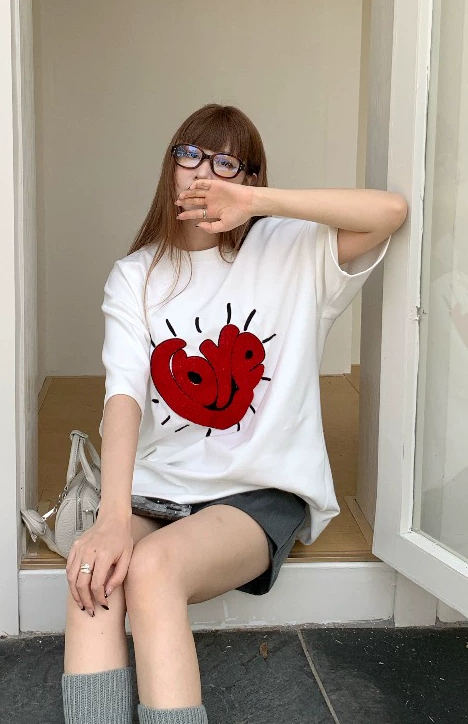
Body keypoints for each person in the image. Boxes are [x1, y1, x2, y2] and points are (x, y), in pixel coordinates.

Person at [60, 103, 408, 724]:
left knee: (154, 568)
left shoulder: (293, 251)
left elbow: (390, 212)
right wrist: (112, 519)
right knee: (94, 570)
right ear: (169, 168)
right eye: (190, 155)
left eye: (226, 163)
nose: (203, 173)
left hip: (258, 491)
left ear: (250, 179)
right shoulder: (135, 276)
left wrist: (260, 205)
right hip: (160, 486)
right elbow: (124, 397)